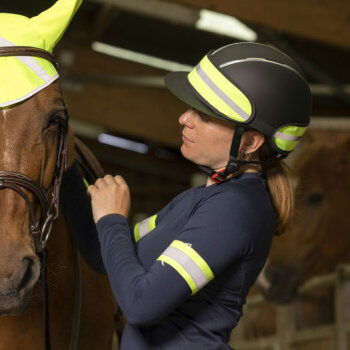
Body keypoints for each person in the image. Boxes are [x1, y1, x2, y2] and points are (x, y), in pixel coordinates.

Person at [62, 42, 311, 349]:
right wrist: (67, 165)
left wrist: (112, 219)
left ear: (250, 142)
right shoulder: (199, 199)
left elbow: (140, 305)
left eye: (204, 116)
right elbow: (107, 255)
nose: (184, 118)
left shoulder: (234, 210)